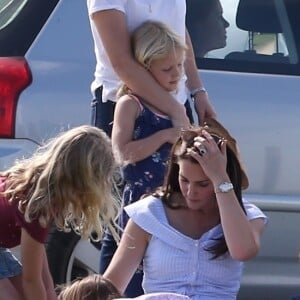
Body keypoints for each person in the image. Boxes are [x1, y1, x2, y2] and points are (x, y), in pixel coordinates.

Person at [103, 118, 268, 300]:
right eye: (184, 180)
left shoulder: (248, 215)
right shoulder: (149, 213)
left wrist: (220, 178)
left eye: (203, 184)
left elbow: (243, 251)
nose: (191, 192)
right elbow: (111, 286)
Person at [101, 20, 185, 297]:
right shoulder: (130, 104)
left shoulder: (176, 108)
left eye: (179, 66)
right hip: (140, 204)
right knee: (134, 274)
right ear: (145, 68)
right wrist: (163, 137)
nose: (176, 75)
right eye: (166, 69)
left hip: (172, 201)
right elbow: (121, 153)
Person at [0, 125, 120, 300]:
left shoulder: (42, 191)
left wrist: (50, 294)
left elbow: (39, 262)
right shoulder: (36, 207)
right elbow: (31, 281)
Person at [86, 0, 217, 137]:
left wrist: (198, 91)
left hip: (176, 103)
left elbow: (178, 31)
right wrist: (174, 110)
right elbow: (122, 61)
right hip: (125, 109)